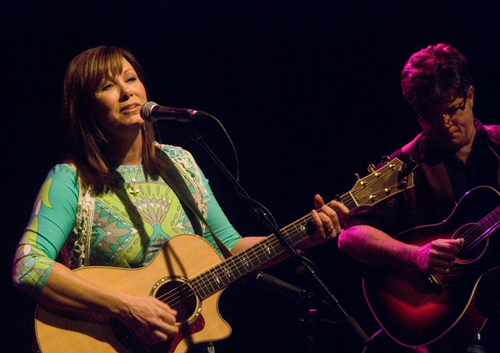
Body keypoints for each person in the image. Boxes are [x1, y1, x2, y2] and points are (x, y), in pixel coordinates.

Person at [12, 46, 348, 352]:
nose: (127, 91)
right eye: (107, 86)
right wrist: (125, 307)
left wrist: (301, 238)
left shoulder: (180, 164)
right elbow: (27, 266)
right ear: (86, 107)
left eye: (131, 79)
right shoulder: (70, 179)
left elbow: (230, 247)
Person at [338, 43, 500, 353]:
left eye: (453, 109)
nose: (445, 123)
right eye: (431, 116)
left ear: (471, 96)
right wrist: (415, 256)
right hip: (453, 325)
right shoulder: (402, 168)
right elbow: (351, 235)